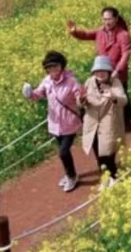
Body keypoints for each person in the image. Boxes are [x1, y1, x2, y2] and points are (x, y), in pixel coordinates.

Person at [22, 51, 82, 193]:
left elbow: (79, 93)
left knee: (63, 152)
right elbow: (38, 94)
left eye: (55, 66)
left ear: (62, 66)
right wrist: (30, 94)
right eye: (49, 68)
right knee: (64, 152)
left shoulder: (71, 80)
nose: (52, 70)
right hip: (55, 124)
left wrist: (80, 100)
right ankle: (69, 174)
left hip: (70, 123)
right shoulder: (47, 81)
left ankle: (72, 176)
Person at [67, 7, 131, 130]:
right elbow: (86, 34)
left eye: (109, 19)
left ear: (116, 19)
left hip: (117, 72)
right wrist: (75, 32)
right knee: (99, 96)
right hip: (101, 72)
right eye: (104, 19)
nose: (106, 22)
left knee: (121, 96)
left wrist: (117, 71)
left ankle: (127, 122)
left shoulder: (123, 35)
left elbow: (125, 54)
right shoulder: (100, 32)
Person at [80, 56, 127, 188]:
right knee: (97, 152)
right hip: (92, 123)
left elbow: (123, 100)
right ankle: (105, 177)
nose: (100, 74)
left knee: (109, 152)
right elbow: (81, 101)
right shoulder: (89, 82)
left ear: (108, 72)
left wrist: (112, 95)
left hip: (109, 122)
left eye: (103, 71)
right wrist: (81, 100)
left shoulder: (115, 82)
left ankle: (113, 176)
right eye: (97, 71)